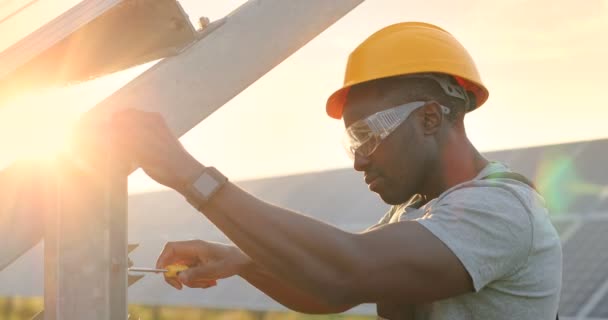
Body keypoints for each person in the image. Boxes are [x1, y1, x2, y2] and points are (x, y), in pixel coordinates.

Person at [112, 22, 562, 319]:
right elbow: (329, 291)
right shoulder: (420, 213)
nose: (359, 159)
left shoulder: (499, 209)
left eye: (368, 135)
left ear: (429, 118)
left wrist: (190, 176)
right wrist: (242, 260)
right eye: (352, 141)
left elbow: (346, 270)